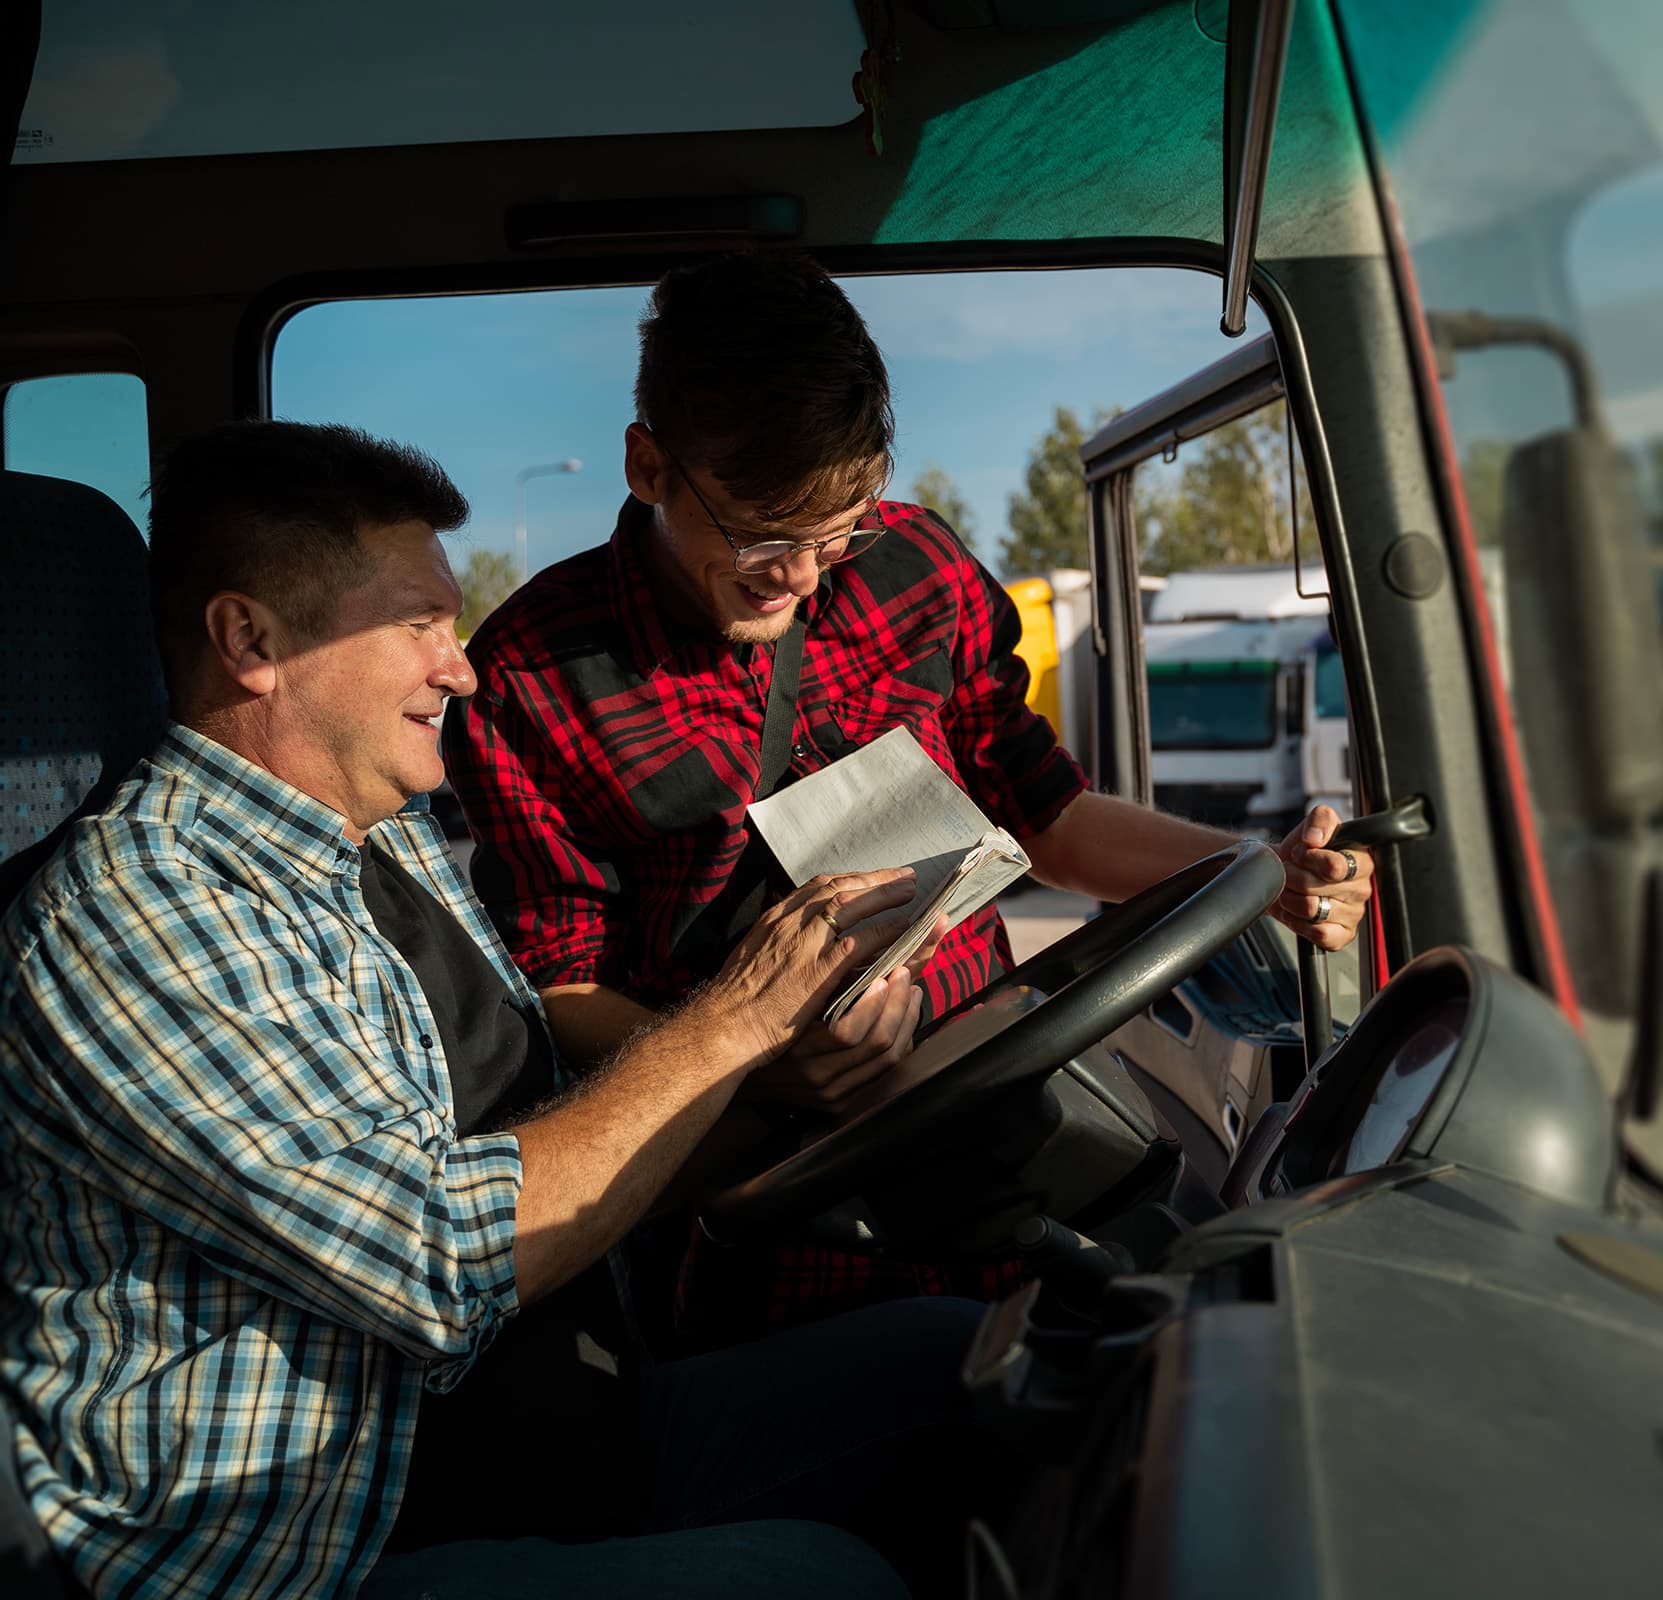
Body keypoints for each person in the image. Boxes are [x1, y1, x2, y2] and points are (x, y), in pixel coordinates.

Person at [0, 421, 983, 1600]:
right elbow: (441, 1255)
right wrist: (737, 1021)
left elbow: (560, 1120)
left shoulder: (391, 839)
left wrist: (784, 1075)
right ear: (249, 639)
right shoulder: (136, 912)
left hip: (576, 1431)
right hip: (319, 1543)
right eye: (415, 625)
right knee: (825, 1583)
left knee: (971, 1365)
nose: (458, 666)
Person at [446, 251, 1376, 1335]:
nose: (802, 575)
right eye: (763, 535)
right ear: (648, 467)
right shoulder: (529, 676)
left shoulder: (914, 568)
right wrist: (767, 1062)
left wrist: (1255, 875)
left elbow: (1052, 818)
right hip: (760, 1196)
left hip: (994, 1104)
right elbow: (561, 989)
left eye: (839, 527)